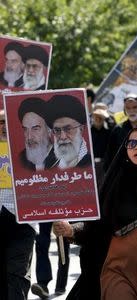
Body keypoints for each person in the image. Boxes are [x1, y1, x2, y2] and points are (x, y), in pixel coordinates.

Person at [0, 109, 37, 300]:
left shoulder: (33, 150)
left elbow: (51, 184)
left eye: (8, 123)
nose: (4, 127)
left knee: (17, 280)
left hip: (22, 222)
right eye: (0, 123)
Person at [46, 95, 91, 169]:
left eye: (68, 129)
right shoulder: (49, 164)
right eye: (57, 130)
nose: (62, 137)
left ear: (81, 129)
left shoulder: (91, 163)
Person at [18, 97, 57, 170]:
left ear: (49, 129)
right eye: (25, 130)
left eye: (35, 129)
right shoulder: (21, 159)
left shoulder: (63, 158)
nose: (29, 137)